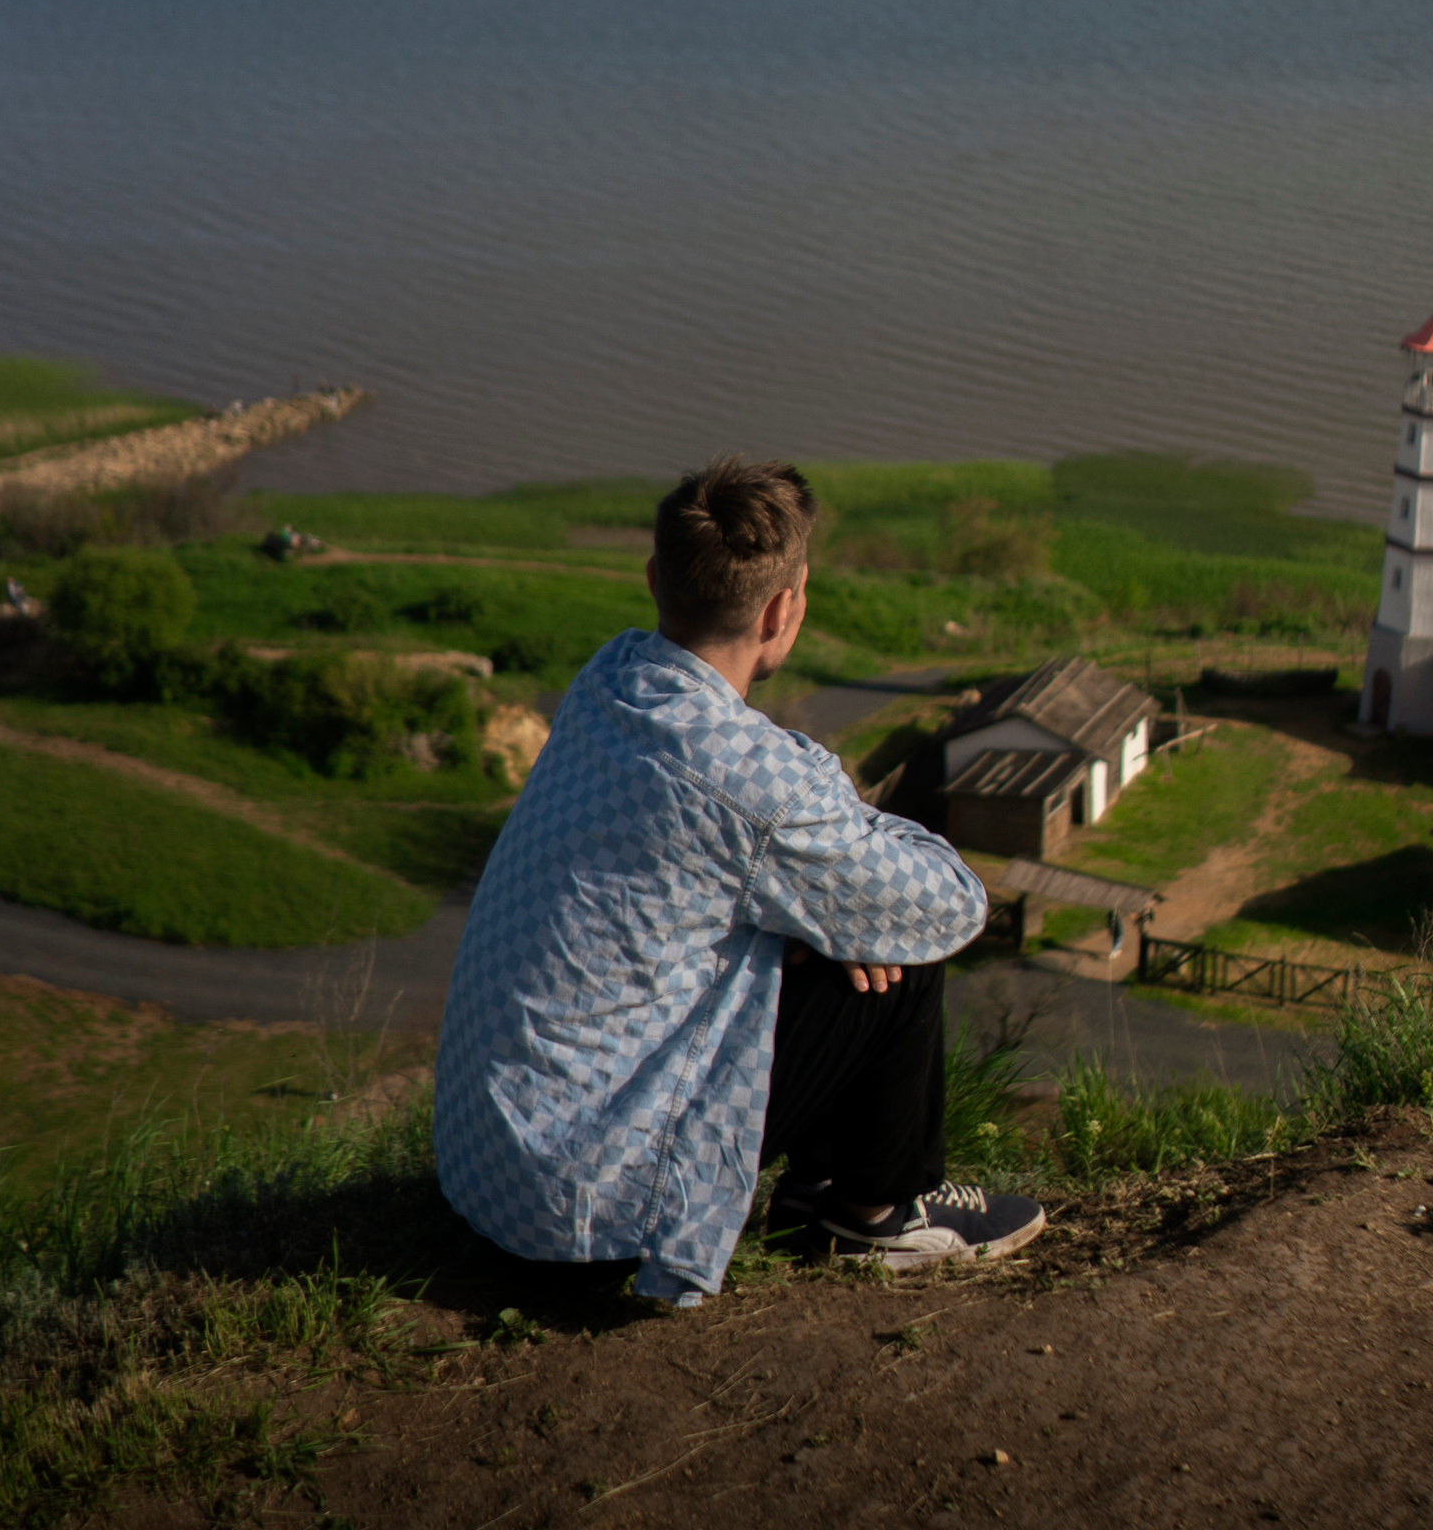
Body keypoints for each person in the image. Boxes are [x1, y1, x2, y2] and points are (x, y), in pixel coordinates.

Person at [435, 456, 1042, 1309]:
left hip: (487, 1168)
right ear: (783, 609)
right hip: (594, 1224)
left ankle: (810, 1192)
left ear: (654, 579)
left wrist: (804, 913)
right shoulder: (758, 786)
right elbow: (951, 903)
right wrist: (838, 845)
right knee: (899, 948)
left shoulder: (608, 680)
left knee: (825, 922)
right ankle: (874, 1216)